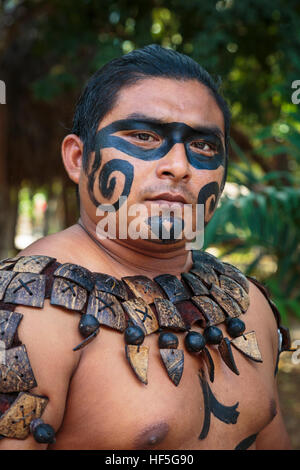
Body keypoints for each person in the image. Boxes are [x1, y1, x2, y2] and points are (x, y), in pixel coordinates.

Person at [0, 45, 292, 450]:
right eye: (143, 136)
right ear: (77, 158)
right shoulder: (29, 312)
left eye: (204, 145)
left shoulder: (244, 302)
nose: (179, 165)